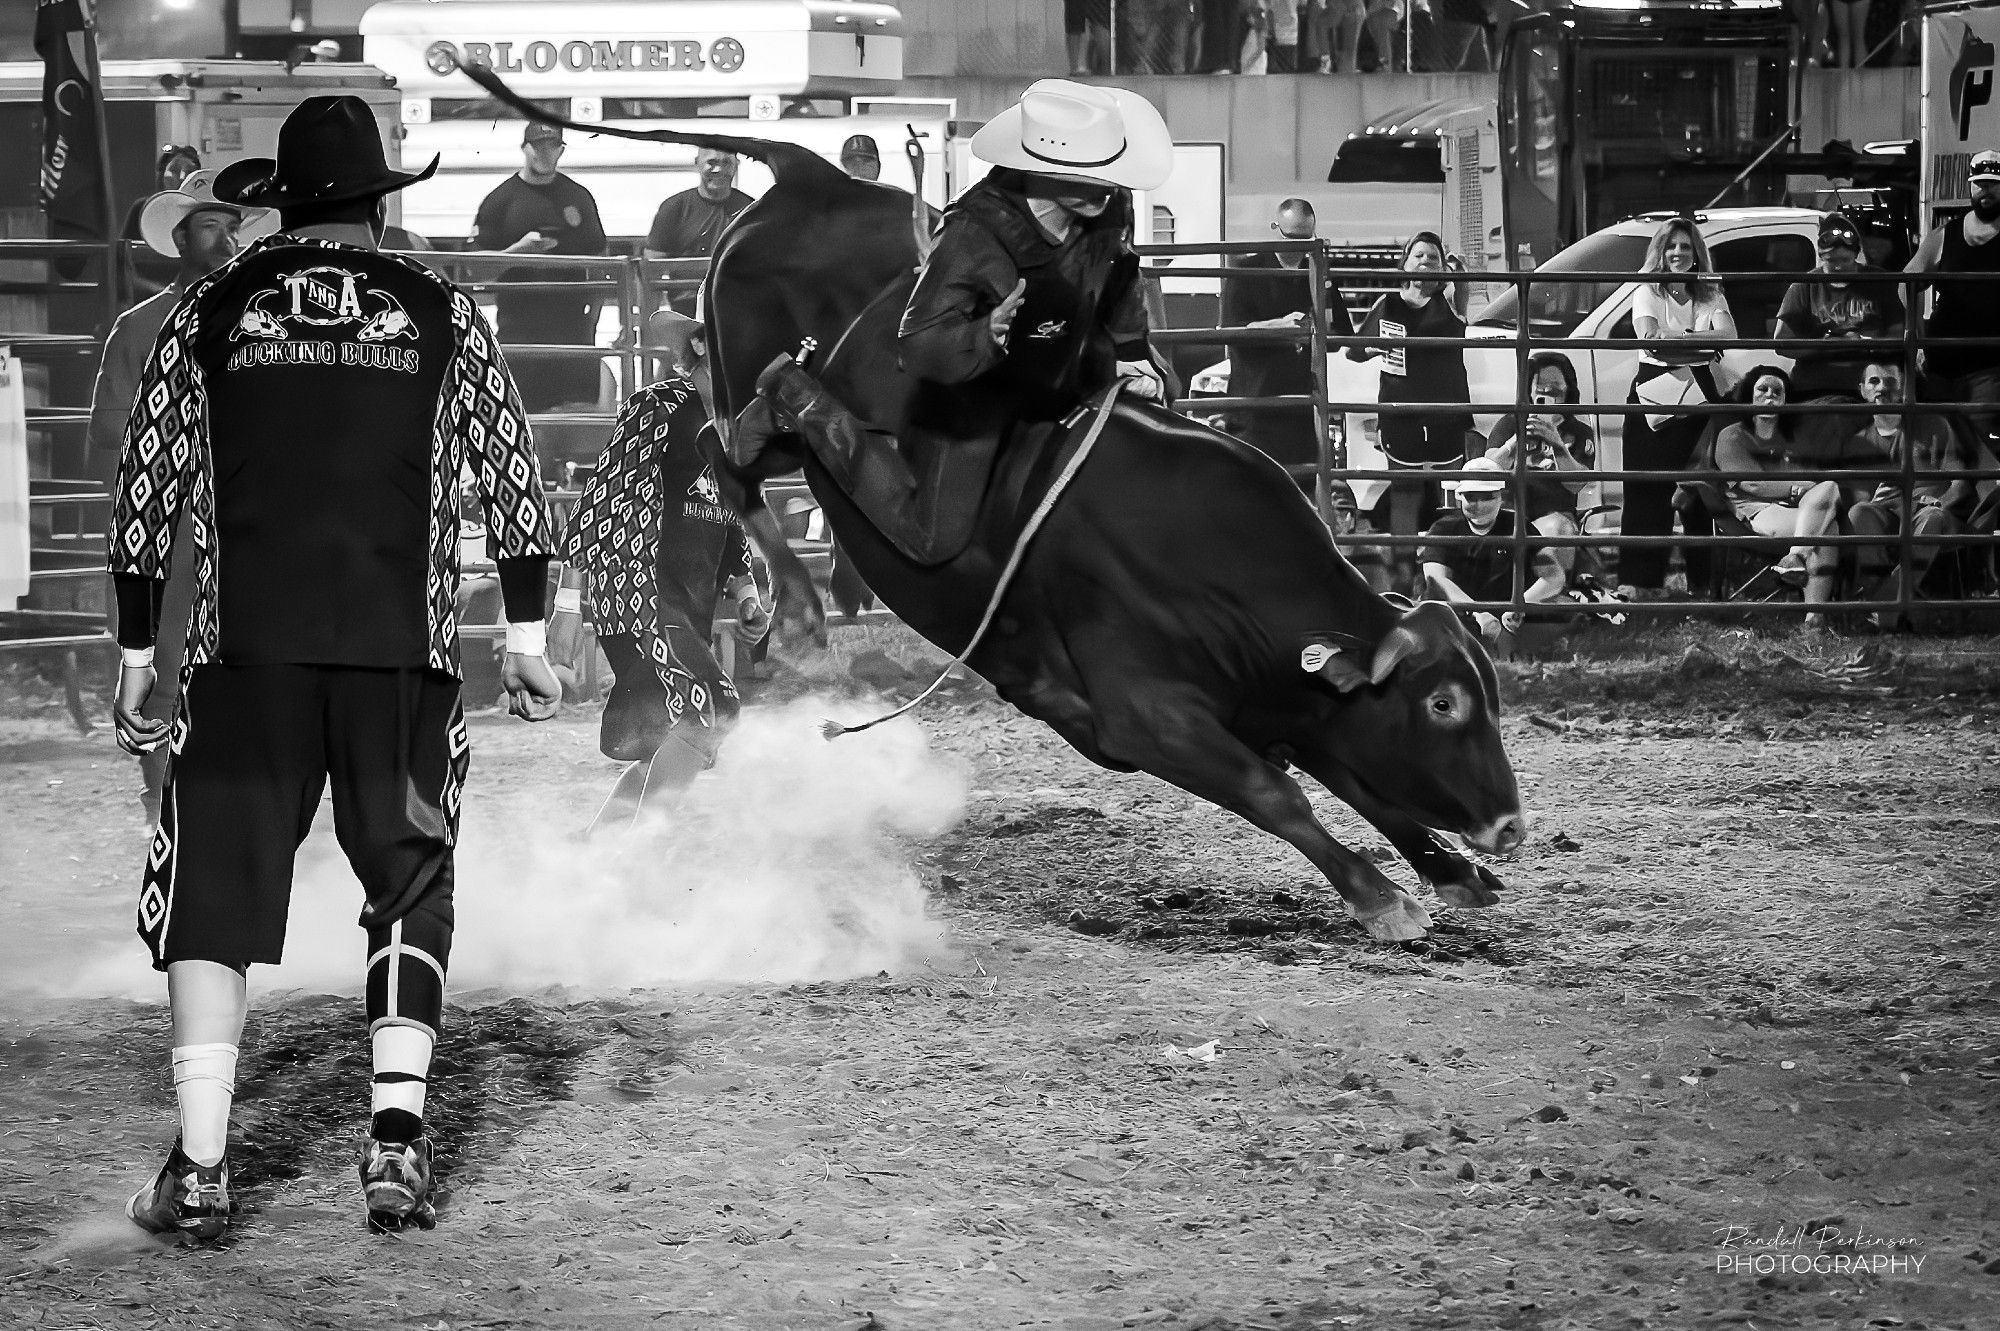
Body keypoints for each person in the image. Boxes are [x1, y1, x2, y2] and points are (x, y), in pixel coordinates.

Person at [107, 96, 561, 1243]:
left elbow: (145, 486)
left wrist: (132, 649)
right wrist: (524, 639)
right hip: (397, 657)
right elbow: (512, 478)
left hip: (239, 657)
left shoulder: (209, 308)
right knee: (406, 883)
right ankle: (396, 1144)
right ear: (378, 199)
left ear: (285, 202)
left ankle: (203, 1167)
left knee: (210, 897)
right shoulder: (446, 307)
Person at [749, 80, 1173, 565]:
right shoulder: (973, 234)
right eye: (1088, 173)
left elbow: (1119, 275)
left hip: (1064, 363)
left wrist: (1133, 354)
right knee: (933, 540)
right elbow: (918, 341)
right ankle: (798, 395)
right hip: (977, 387)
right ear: (1038, 170)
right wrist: (982, 333)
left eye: (1108, 171)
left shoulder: (1110, 207)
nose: (1107, 185)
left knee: (1163, 409)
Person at [88, 170, 275, 824]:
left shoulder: (263, 325)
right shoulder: (141, 328)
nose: (224, 238)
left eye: (230, 226)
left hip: (247, 525)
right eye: (208, 226)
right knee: (168, 670)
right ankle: (166, 802)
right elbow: (110, 441)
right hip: (172, 529)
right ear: (178, 238)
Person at [553, 309, 770, 835]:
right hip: (638, 587)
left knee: (668, 744)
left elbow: (732, 520)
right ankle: (639, 866)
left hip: (680, 602)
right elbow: (602, 496)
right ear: (698, 346)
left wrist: (744, 591)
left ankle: (592, 857)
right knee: (711, 708)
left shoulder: (736, 430)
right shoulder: (658, 406)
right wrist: (565, 604)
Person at [1348, 230, 1474, 592]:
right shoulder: (1387, 304)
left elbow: (1462, 283)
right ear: (1404, 262)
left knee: (1452, 494)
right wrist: (1377, 350)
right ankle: (1403, 581)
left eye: (1433, 257)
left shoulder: (1450, 299)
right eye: (1418, 255)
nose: (1425, 262)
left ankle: (1451, 574)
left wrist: (1456, 270)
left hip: (1446, 413)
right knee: (1405, 495)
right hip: (1401, 413)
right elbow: (1355, 350)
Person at [1620, 216, 1736, 598]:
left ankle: (1703, 585)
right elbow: (1649, 340)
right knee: (1646, 492)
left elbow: (1729, 336)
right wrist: (1701, 343)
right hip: (1654, 392)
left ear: (1696, 252)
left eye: (1686, 247)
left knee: (1700, 491)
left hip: (1702, 395)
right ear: (1660, 250)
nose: (1678, 253)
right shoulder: (1646, 287)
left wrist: (1677, 338)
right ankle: (1639, 585)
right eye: (1671, 246)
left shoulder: (1709, 290)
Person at [471, 122, 609, 413]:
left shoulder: (579, 197)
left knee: (575, 421)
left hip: (572, 332)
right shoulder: (500, 201)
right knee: (524, 419)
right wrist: (518, 252)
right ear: (525, 148)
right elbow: (476, 272)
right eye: (539, 146)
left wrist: (592, 323)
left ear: (561, 150)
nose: (546, 153)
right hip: (519, 332)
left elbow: (602, 265)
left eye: (553, 146)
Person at [1712, 366, 1861, 630]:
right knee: (1829, 528)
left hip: (1803, 510)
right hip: (1758, 512)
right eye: (1763, 390)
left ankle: (1795, 560)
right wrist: (1796, 489)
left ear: (1785, 399)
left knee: (1830, 487)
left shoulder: (1796, 436)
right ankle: (1814, 618)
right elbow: (1754, 485)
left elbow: (1816, 481)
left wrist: (1802, 489)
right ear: (1749, 395)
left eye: (1777, 392)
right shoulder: (1732, 435)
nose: (1770, 396)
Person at [1221, 198, 1355, 470]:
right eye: (1292, 238)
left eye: (1306, 239)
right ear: (1275, 228)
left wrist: (1320, 321)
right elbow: (1231, 331)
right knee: (1257, 488)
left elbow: (1339, 334)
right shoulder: (1246, 273)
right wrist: (1278, 327)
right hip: (1256, 407)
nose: (1298, 248)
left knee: (1302, 488)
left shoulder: (1318, 274)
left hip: (1300, 408)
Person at [1845, 358, 1983, 613]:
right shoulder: (1857, 442)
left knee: (1932, 516)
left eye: (1891, 381)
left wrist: (1940, 501)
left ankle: (1882, 605)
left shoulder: (1935, 423)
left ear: (1904, 388)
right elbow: (1858, 501)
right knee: (1860, 513)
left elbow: (1961, 483)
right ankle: (1888, 605)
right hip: (1888, 515)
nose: (1882, 388)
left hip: (1932, 514)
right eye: (1874, 381)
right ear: (1862, 389)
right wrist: (1878, 501)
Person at [1907, 149, 2000, 454]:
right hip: (1941, 366)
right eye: (1980, 183)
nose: (1986, 190)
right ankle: (1943, 501)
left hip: (1990, 367)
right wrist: (1916, 334)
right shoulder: (1945, 235)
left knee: (1982, 449)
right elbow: (1907, 283)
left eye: (1993, 183)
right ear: (1971, 186)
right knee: (1945, 449)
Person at [1419, 457, 1568, 644]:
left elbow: (1554, 576)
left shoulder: (1519, 526)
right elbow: (1436, 580)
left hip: (1509, 619)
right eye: (1471, 497)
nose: (1479, 506)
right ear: (1459, 497)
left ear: (1501, 496)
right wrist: (1477, 613)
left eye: (1487, 496)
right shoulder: (1443, 529)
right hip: (1459, 618)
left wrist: (1520, 604)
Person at [1481, 350, 1598, 582]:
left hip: (1553, 515)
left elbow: (1577, 484)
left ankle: (1550, 597)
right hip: (1509, 513)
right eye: (1540, 384)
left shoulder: (1578, 430)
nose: (1547, 390)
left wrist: (1557, 444)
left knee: (1558, 532)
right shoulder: (1509, 423)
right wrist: (1515, 443)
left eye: (1555, 384)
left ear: (1568, 388)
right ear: (1529, 389)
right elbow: (1486, 471)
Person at [1775, 212, 1905, 401]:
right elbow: (1781, 343)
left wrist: (1865, 343)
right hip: (1815, 385)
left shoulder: (1879, 281)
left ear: (1856, 255)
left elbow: (1899, 334)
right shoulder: (1804, 286)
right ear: (1821, 257)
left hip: (1870, 383)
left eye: (1845, 261)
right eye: (1831, 261)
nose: (1838, 267)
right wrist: (1822, 346)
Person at [644, 147, 755, 314]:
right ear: (697, 163)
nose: (719, 169)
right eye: (711, 163)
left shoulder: (751, 209)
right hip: (686, 306)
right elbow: (650, 268)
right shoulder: (674, 208)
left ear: (736, 165)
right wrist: (649, 323)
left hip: (737, 307)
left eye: (726, 163)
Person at [119, 145, 202, 300]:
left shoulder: (201, 214)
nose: (183, 177)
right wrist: (161, 293)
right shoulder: (141, 209)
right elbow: (121, 266)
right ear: (162, 173)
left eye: (190, 172)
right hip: (143, 299)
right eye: (175, 170)